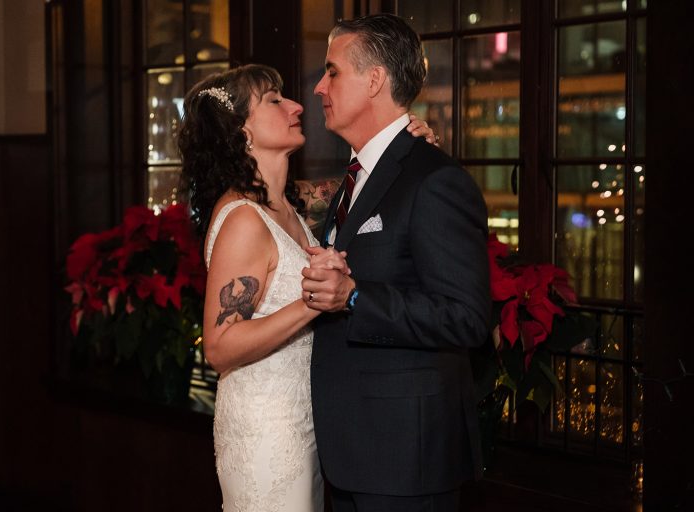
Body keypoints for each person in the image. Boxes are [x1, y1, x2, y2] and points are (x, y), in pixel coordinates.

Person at [177, 64, 437, 512]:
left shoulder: (286, 204)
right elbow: (220, 347)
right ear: (240, 130)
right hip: (265, 433)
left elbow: (362, 189)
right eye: (275, 101)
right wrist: (315, 301)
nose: (297, 105)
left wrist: (404, 152)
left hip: (304, 426)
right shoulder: (243, 219)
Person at [301, 14, 491, 512]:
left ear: (375, 80)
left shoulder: (434, 181)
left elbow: (466, 317)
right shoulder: (357, 175)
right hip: (350, 454)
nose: (319, 86)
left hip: (405, 460)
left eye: (332, 71)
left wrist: (355, 297)